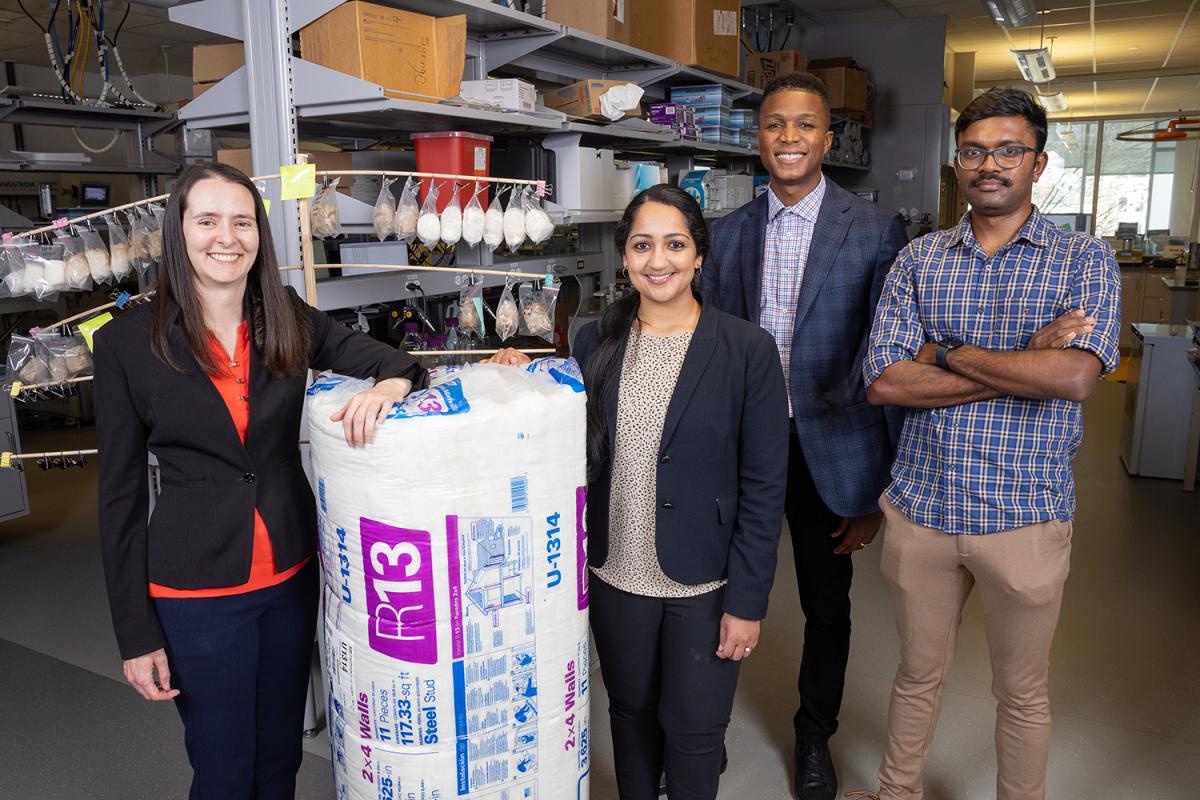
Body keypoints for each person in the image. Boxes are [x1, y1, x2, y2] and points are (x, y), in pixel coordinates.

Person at [94, 162, 427, 800]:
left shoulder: (286, 317)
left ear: (259, 233)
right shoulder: (126, 343)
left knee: (280, 757)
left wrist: (388, 386)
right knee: (223, 766)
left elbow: (392, 359)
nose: (227, 237)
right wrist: (136, 635)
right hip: (195, 589)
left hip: (289, 576)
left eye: (242, 221)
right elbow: (120, 498)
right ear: (178, 231)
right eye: (208, 221)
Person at [850, 88, 1120, 800]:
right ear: (957, 163)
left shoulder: (1085, 261)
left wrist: (946, 351)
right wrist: (1017, 361)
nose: (989, 164)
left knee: (1022, 692)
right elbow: (884, 382)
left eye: (1008, 150)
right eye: (974, 151)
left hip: (1025, 514)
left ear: (1039, 163)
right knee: (916, 675)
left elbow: (1072, 377)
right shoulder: (919, 261)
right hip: (922, 509)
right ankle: (896, 793)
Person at [489, 184, 789, 799]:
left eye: (675, 244)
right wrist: (523, 381)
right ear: (624, 258)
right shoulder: (594, 339)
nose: (659, 260)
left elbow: (764, 488)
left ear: (698, 255)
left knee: (696, 730)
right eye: (642, 245)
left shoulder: (746, 349)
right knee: (628, 714)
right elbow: (563, 436)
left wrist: (748, 602)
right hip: (616, 572)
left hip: (704, 582)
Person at [700, 71, 908, 800]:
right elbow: (704, 349)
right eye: (774, 125)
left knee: (827, 605)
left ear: (828, 138)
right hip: (742, 449)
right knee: (711, 592)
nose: (788, 138)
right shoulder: (724, 236)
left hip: (833, 449)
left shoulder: (876, 230)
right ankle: (702, 733)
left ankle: (814, 734)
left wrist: (875, 486)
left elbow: (889, 357)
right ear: (758, 138)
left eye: (804, 126)